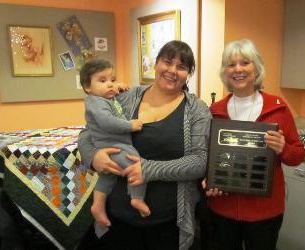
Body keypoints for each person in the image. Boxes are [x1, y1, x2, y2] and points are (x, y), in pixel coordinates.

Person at [78, 40, 211, 250]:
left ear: (189, 74)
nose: (172, 70)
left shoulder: (197, 109)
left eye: (182, 67)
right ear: (156, 64)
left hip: (167, 222)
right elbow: (88, 132)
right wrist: (93, 157)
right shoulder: (126, 97)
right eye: (167, 62)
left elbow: (199, 162)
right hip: (117, 218)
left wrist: (148, 169)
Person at [206, 39, 305, 250]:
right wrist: (206, 180)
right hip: (223, 209)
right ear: (225, 72)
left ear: (256, 68)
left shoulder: (278, 108)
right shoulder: (214, 110)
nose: (238, 69)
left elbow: (297, 155)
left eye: (245, 62)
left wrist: (283, 148)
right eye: (231, 65)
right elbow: (204, 156)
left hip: (265, 213)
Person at [79, 59, 151, 230]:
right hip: (115, 145)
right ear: (88, 87)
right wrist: (131, 125)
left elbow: (110, 96)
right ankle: (137, 198)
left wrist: (115, 85)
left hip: (111, 146)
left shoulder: (102, 98)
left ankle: (98, 205)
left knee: (107, 176)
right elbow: (107, 122)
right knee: (137, 166)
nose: (110, 85)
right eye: (103, 81)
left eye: (112, 79)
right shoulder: (95, 102)